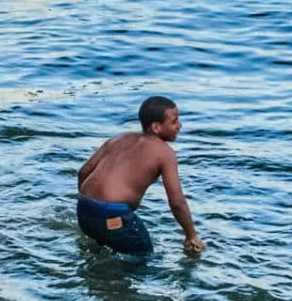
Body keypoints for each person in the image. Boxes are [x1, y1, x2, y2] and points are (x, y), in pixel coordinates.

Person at [77, 96, 204, 260]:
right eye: (174, 121)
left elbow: (83, 172)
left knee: (100, 250)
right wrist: (191, 235)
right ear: (156, 127)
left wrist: (92, 207)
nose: (180, 125)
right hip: (114, 216)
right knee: (144, 259)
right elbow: (177, 202)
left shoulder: (118, 139)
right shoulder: (165, 153)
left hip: (84, 210)